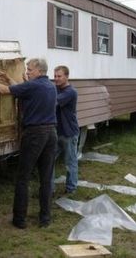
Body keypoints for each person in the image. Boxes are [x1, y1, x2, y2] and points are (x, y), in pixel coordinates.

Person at [0, 58, 57, 229]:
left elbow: (4, 91)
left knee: (23, 177)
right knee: (46, 178)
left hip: (35, 134)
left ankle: (19, 220)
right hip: (51, 133)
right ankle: (45, 218)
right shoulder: (49, 86)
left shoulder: (33, 85)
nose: (27, 72)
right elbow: (21, 90)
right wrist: (9, 78)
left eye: (30, 69)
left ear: (39, 71)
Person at [53, 65, 79, 195]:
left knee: (70, 162)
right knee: (49, 161)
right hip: (57, 132)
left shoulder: (70, 92)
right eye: (55, 76)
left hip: (69, 133)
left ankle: (71, 188)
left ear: (67, 77)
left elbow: (53, 101)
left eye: (59, 76)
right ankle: (49, 189)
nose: (56, 78)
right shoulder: (55, 89)